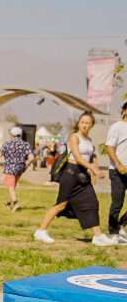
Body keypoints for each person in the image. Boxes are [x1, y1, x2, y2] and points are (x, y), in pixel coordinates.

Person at [34, 111, 116, 246]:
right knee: (61, 205)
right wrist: (93, 168)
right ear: (78, 123)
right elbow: (78, 157)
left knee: (92, 203)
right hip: (71, 174)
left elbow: (92, 156)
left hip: (83, 176)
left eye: (88, 123)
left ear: (92, 125)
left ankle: (98, 236)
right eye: (82, 122)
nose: (84, 125)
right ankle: (41, 231)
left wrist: (96, 169)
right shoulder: (74, 137)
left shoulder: (89, 140)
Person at [105, 101, 127, 243]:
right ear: (124, 110)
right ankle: (113, 231)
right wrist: (118, 164)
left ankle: (121, 224)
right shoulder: (117, 127)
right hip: (118, 170)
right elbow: (109, 147)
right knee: (117, 202)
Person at [0, 126, 34, 211]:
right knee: (13, 185)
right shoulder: (26, 144)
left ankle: (15, 203)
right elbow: (31, 158)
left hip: (10, 167)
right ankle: (9, 203)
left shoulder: (7, 144)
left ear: (12, 135)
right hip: (20, 167)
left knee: (10, 186)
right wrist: (26, 165)